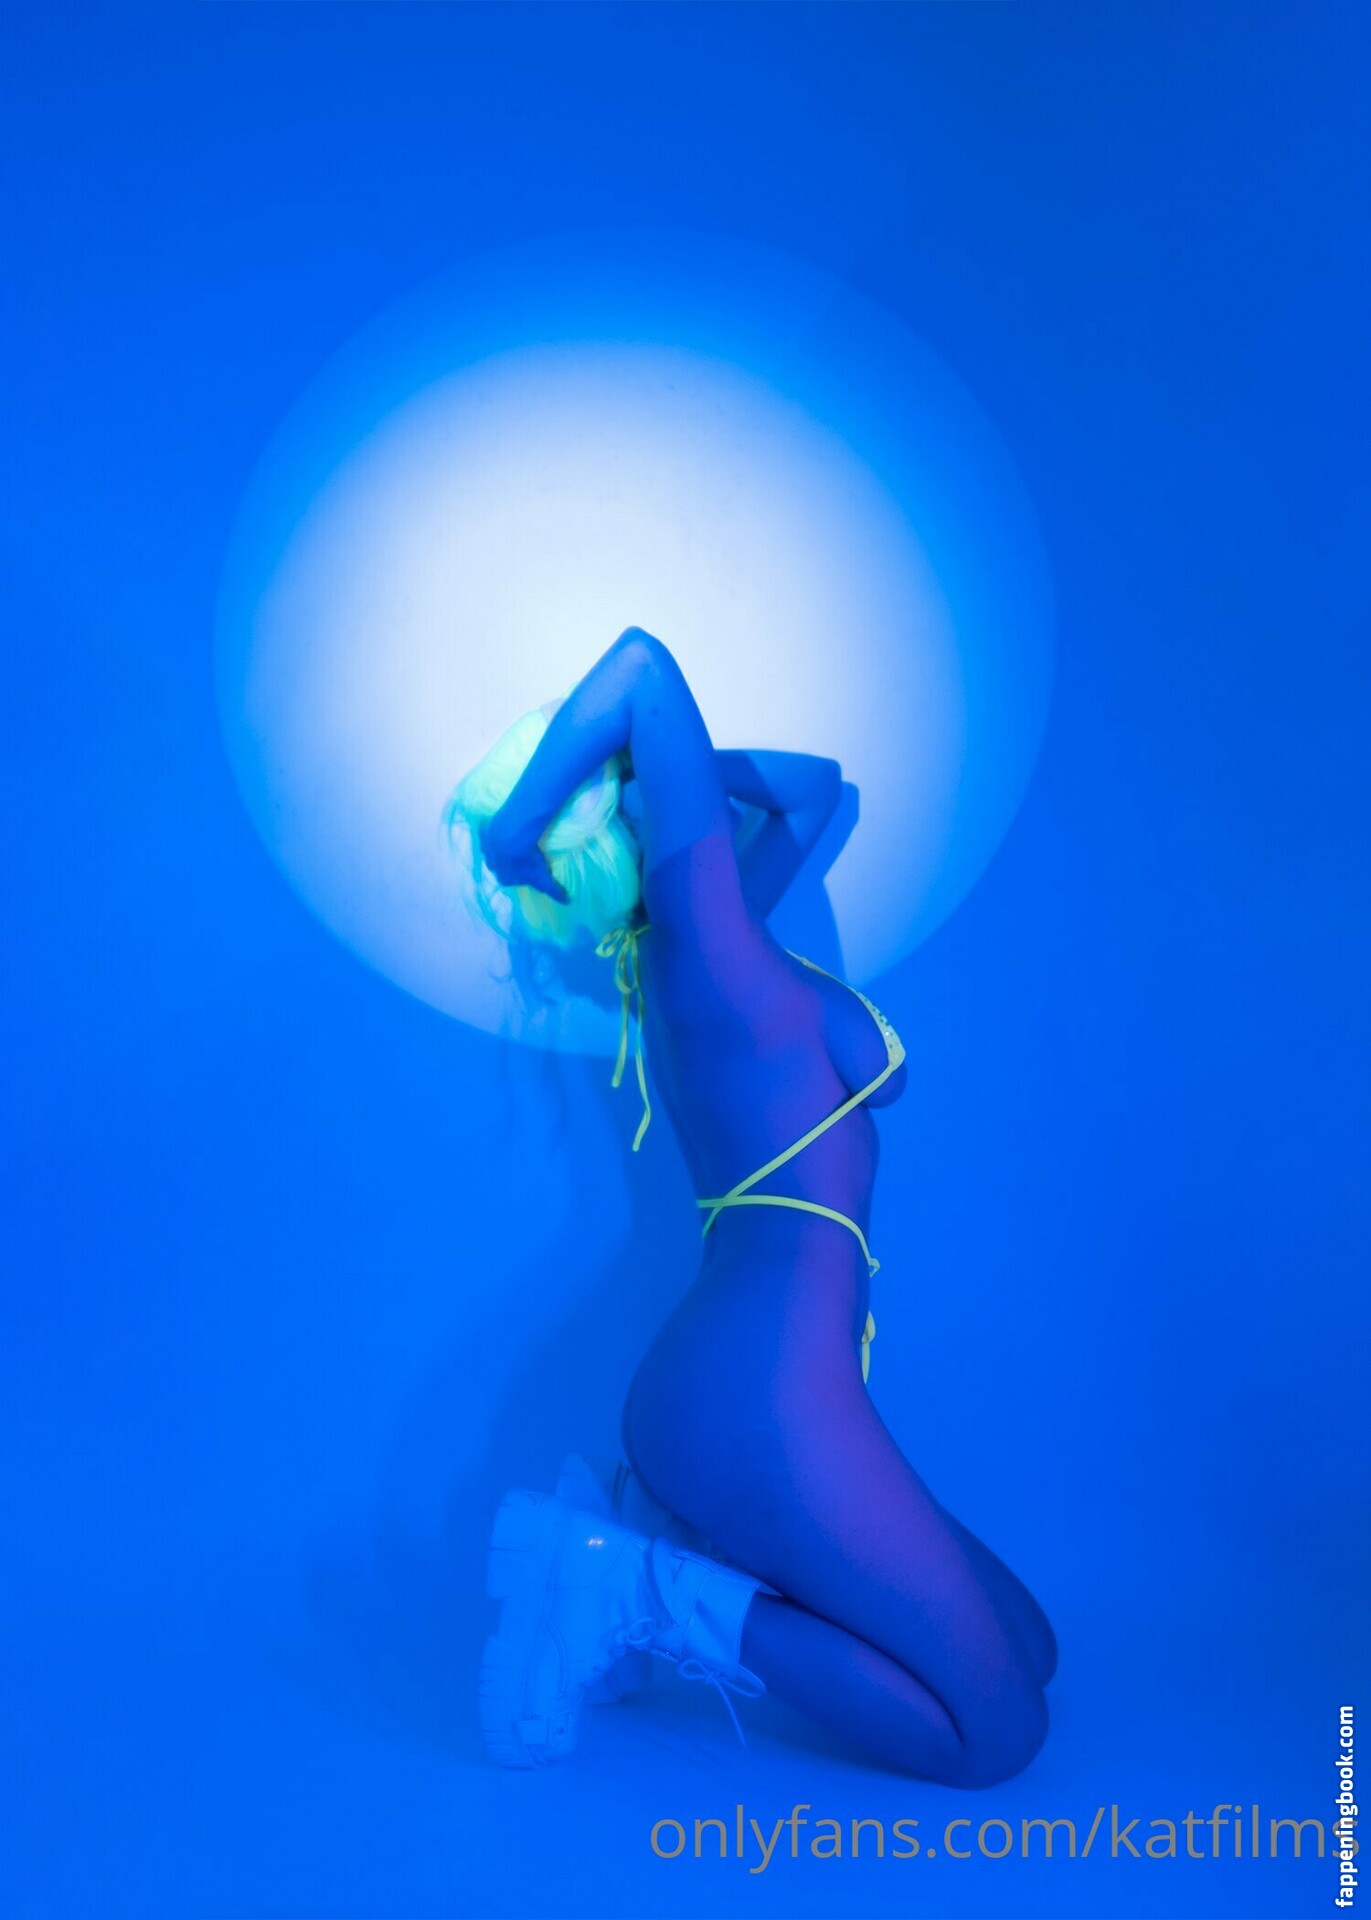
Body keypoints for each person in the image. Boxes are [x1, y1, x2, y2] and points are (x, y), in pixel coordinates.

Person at [448, 626, 1056, 1781]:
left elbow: (819, 791)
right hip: (760, 1384)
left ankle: (647, 1537)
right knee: (1000, 1737)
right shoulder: (701, 951)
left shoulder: (725, 951)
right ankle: (631, 1586)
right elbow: (639, 668)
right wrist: (515, 828)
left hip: (771, 1377)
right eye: (641, 792)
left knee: (1033, 1648)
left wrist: (637, 773)